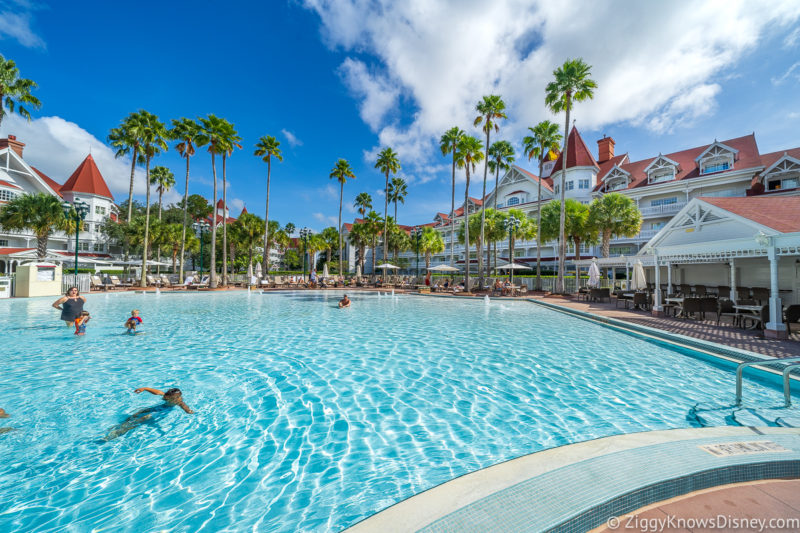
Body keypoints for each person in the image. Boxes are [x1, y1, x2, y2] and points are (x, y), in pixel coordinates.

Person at [103, 387, 194, 442]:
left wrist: (189, 411)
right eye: (166, 396)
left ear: (176, 397)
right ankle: (118, 426)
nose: (165, 397)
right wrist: (145, 388)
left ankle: (116, 433)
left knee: (140, 419)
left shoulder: (179, 402)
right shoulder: (167, 396)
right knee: (136, 414)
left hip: (159, 413)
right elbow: (157, 392)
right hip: (155, 409)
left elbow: (185, 408)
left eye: (168, 397)